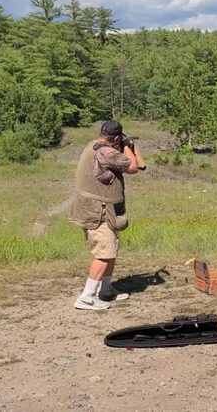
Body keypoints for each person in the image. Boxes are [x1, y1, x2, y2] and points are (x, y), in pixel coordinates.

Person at [68, 120, 146, 310]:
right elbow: (135, 167)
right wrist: (128, 146)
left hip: (102, 211)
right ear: (117, 138)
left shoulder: (94, 146)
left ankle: (105, 290)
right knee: (103, 253)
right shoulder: (106, 152)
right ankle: (86, 297)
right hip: (98, 212)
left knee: (111, 249)